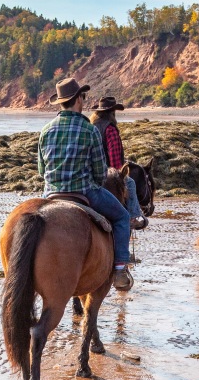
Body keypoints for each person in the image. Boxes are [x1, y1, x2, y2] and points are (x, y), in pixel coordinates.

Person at [37, 77, 134, 291]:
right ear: (78, 99)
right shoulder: (89, 130)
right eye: (82, 96)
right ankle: (120, 269)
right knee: (122, 217)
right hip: (83, 192)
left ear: (60, 102)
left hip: (50, 194)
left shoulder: (46, 130)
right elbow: (100, 174)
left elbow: (41, 171)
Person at [90, 96, 148, 229]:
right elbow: (115, 161)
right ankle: (134, 216)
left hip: (90, 174)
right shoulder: (110, 129)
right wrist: (120, 172)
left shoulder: (91, 126)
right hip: (107, 174)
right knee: (131, 183)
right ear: (112, 112)